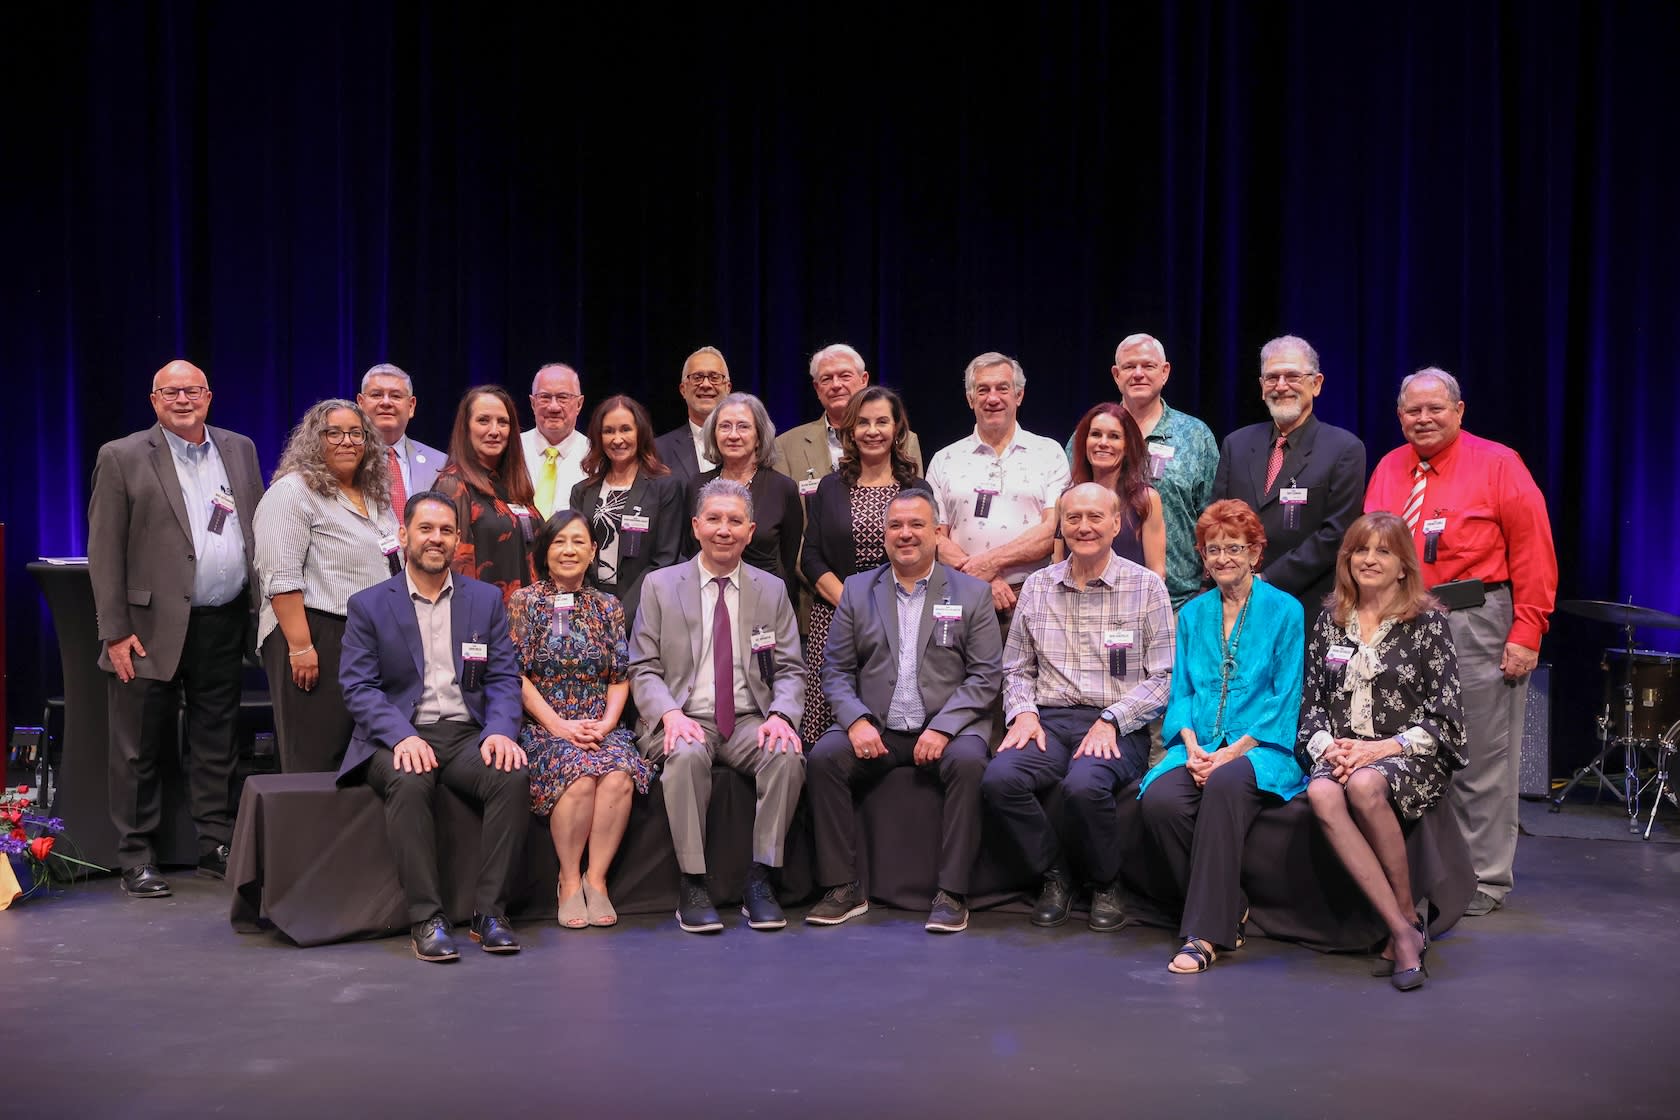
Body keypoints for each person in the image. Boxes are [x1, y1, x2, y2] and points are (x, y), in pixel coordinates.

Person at [1364, 367, 1557, 917]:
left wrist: (1527, 631)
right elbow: (1369, 549)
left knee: (1478, 754)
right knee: (1405, 746)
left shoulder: (1498, 464)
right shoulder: (1389, 468)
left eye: (1434, 409)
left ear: (1459, 411)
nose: (1422, 419)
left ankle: (1485, 878)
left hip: (1473, 618)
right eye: (1411, 411)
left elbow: (1534, 551)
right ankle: (1421, 872)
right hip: (1399, 620)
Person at [88, 359, 264, 897]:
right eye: (171, 392)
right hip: (146, 628)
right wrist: (114, 631)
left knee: (217, 740)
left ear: (209, 396)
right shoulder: (121, 456)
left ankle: (214, 844)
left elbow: (255, 528)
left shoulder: (240, 448)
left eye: (192, 390)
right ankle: (137, 854)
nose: (183, 399)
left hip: (223, 620)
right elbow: (104, 548)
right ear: (154, 400)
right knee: (139, 745)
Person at [338, 490, 528, 962]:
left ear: (458, 540)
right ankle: (427, 918)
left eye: (445, 531)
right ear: (404, 535)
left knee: (512, 774)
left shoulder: (484, 600)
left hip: (466, 734)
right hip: (397, 733)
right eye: (425, 529)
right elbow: (359, 688)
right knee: (410, 777)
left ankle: (490, 914)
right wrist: (402, 736)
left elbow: (504, 678)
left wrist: (501, 730)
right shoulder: (369, 605)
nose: (435, 539)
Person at [805, 485, 1001, 933]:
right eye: (896, 525)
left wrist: (946, 727)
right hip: (878, 726)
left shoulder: (972, 593)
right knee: (824, 759)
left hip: (945, 727)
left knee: (971, 763)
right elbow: (834, 670)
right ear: (884, 534)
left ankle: (952, 892)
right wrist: (855, 721)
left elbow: (986, 676)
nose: (905, 534)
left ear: (936, 532)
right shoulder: (858, 589)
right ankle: (843, 887)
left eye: (916, 525)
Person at [980, 483, 1175, 931]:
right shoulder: (1038, 585)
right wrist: (1023, 712)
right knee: (999, 780)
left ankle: (1106, 882)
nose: (1084, 527)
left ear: (1115, 523)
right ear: (1061, 527)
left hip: (1116, 722)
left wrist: (1113, 719)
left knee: (1084, 787)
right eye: (1073, 519)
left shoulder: (1146, 587)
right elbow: (1015, 669)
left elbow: (1164, 677)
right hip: (1047, 719)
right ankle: (1055, 875)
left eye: (1094, 517)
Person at [1135, 499, 1306, 973]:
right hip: (1198, 745)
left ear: (1255, 552)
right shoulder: (1192, 613)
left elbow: (1285, 696)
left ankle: (1205, 934)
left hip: (1261, 747)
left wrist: (1232, 752)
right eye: (1213, 550)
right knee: (1160, 802)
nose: (1223, 558)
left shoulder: (1286, 611)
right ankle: (1232, 904)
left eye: (1235, 548)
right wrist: (1191, 747)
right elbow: (1182, 691)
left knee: (1226, 787)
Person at [629, 479, 806, 934]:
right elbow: (643, 667)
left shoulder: (771, 589)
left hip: (750, 718)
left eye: (733, 521)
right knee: (685, 754)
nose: (723, 530)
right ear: (695, 526)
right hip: (684, 714)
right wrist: (669, 714)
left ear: (750, 531)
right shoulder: (660, 585)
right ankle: (693, 882)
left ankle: (761, 878)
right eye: (713, 519)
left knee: (786, 754)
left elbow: (789, 669)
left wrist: (782, 716)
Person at [1301, 512, 1467, 991]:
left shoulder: (1428, 623)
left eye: (1383, 551)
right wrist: (1330, 747)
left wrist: (1379, 750)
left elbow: (1446, 716)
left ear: (1403, 566)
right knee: (1323, 795)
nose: (1368, 560)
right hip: (1340, 750)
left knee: (1366, 784)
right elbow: (1311, 706)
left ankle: (1404, 923)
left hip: (1407, 752)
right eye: (1359, 550)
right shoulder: (1330, 621)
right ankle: (1403, 927)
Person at [509, 509, 651, 930]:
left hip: (599, 723)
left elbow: (619, 677)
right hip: (545, 726)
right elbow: (515, 675)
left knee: (618, 774)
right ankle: (569, 879)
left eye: (578, 542)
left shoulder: (608, 606)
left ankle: (597, 879)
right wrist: (558, 726)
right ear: (544, 551)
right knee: (579, 775)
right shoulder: (525, 602)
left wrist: (606, 725)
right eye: (559, 542)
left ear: (593, 551)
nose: (568, 550)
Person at [253, 399, 399, 774]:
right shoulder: (292, 492)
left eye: (356, 433)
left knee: (357, 755)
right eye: (333, 433)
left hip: (363, 635)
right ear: (313, 441)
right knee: (316, 754)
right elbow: (279, 576)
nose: (346, 441)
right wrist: (301, 647)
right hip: (315, 632)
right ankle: (308, 833)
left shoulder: (374, 496)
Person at [797, 386, 920, 743]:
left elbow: (923, 558)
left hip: (901, 617)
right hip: (834, 618)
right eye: (863, 422)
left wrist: (878, 608)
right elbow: (811, 556)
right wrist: (853, 604)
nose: (872, 430)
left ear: (898, 429)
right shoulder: (829, 488)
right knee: (827, 734)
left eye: (882, 421)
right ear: (850, 430)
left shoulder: (916, 489)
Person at [1212, 335, 1366, 608]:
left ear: (1316, 384)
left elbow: (1336, 535)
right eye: (1272, 378)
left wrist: (1266, 580)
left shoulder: (1345, 449)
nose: (1281, 386)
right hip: (1234, 601)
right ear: (1261, 387)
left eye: (1292, 376)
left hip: (1308, 604)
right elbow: (1216, 521)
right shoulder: (1236, 444)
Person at [925, 352, 1070, 618]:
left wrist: (990, 564)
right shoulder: (944, 459)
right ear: (970, 399)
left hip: (1033, 599)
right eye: (983, 390)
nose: (993, 398)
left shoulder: (1050, 452)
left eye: (1002, 388)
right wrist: (981, 580)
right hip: (960, 596)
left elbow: (1052, 531)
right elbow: (934, 537)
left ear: (1019, 395)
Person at [1104, 333, 1218, 608]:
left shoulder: (1195, 435)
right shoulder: (1095, 434)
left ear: (1165, 372)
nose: (1139, 374)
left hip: (1180, 601)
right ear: (1117, 375)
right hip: (1100, 600)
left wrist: (1207, 586)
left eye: (1148, 366)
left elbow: (1213, 516)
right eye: (1130, 367)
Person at [567, 395, 684, 628]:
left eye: (625, 429)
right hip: (590, 614)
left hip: (645, 612)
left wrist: (620, 613)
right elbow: (578, 553)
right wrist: (594, 608)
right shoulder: (582, 491)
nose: (617, 439)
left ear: (640, 433)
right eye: (608, 431)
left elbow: (665, 560)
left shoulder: (665, 487)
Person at [684, 392, 805, 610]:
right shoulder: (696, 485)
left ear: (759, 437)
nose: (733, 435)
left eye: (743, 426)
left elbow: (788, 559)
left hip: (763, 601)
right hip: (705, 602)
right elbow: (689, 549)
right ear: (713, 434)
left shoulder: (783, 488)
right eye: (725, 426)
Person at [434, 385, 540, 602]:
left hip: (526, 618)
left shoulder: (513, 484)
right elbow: (453, 567)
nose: (495, 430)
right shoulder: (453, 484)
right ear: (466, 427)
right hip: (483, 620)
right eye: (483, 420)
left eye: (503, 422)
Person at [774, 343, 925, 495]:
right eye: (827, 379)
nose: (836, 385)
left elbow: (917, 503)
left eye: (845, 376)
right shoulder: (786, 446)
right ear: (817, 388)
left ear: (863, 379)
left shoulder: (905, 439)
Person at [1060, 402, 1166, 579]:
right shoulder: (1066, 499)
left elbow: (1156, 571)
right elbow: (1058, 565)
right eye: (1095, 434)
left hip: (1129, 603)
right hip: (1074, 602)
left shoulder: (1146, 499)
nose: (1103, 443)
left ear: (1127, 446)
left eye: (1114, 436)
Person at [357, 362, 446, 521]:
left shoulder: (441, 463)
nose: (386, 402)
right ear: (361, 404)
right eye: (376, 394)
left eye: (396, 396)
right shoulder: (346, 459)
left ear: (411, 406)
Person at [654, 346, 731, 487]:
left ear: (728, 388)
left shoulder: (748, 445)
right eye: (697, 377)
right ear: (683, 390)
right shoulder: (658, 450)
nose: (706, 384)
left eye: (714, 377)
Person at [522, 363, 589, 518]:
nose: (553, 407)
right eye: (545, 397)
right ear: (533, 403)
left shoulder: (595, 456)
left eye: (563, 397)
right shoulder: (511, 450)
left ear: (579, 404)